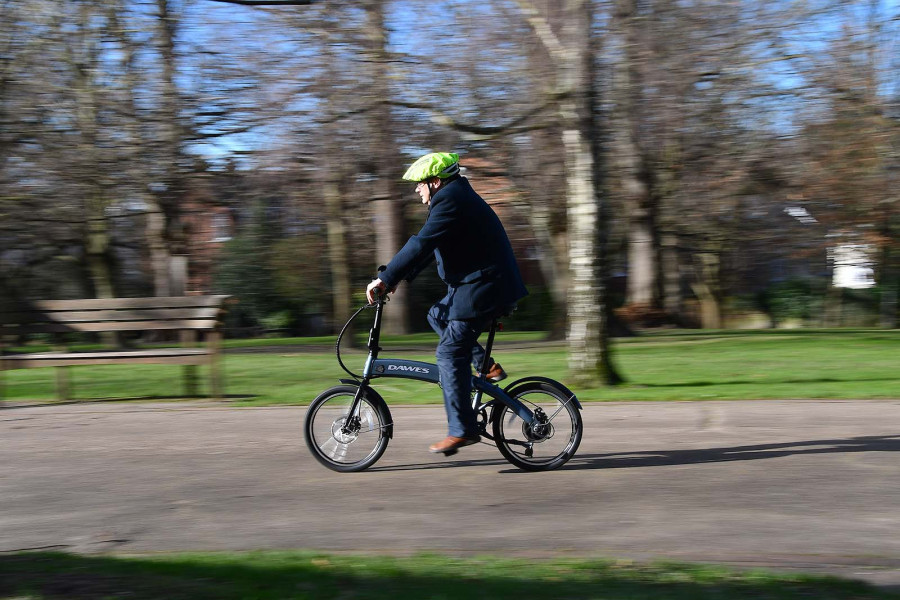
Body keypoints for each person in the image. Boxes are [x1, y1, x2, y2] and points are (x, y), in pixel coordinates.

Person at [366, 152, 528, 455]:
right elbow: (431, 247)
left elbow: (421, 243)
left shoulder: (451, 200)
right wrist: (396, 278)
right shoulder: (454, 197)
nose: (417, 189)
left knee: (450, 353)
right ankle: (486, 367)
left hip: (484, 288)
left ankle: (461, 430)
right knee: (437, 315)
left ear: (436, 181)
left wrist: (385, 278)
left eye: (420, 183)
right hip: (477, 286)